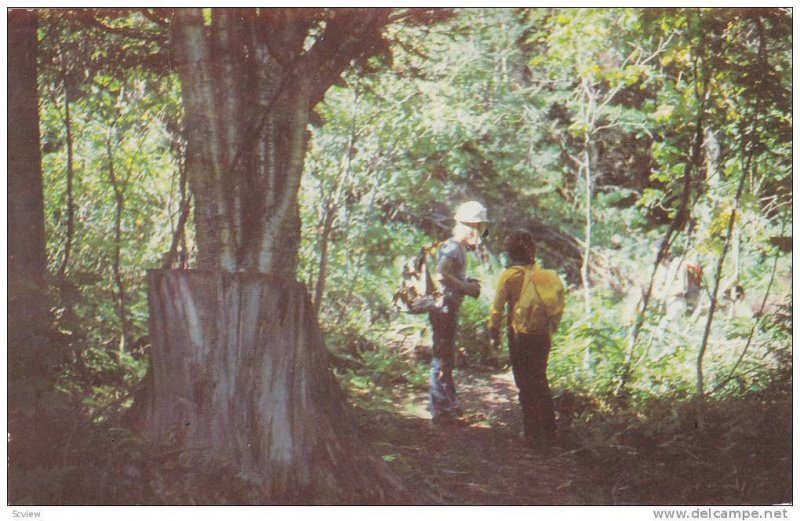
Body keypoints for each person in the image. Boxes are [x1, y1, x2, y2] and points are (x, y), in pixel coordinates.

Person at [488, 229, 564, 444]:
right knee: (540, 380)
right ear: (532, 250)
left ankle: (532, 435)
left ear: (509, 252)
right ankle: (550, 432)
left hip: (520, 335)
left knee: (524, 384)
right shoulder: (540, 274)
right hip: (542, 335)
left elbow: (496, 310)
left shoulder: (509, 276)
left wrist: (494, 335)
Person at [429, 201, 487, 424]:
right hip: (444, 309)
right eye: (478, 226)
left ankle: (449, 405)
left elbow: (449, 275)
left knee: (447, 358)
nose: (480, 232)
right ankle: (440, 411)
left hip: (449, 308)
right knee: (442, 359)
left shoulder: (458, 247)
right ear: (470, 226)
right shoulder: (453, 247)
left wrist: (466, 282)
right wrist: (467, 288)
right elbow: (441, 275)